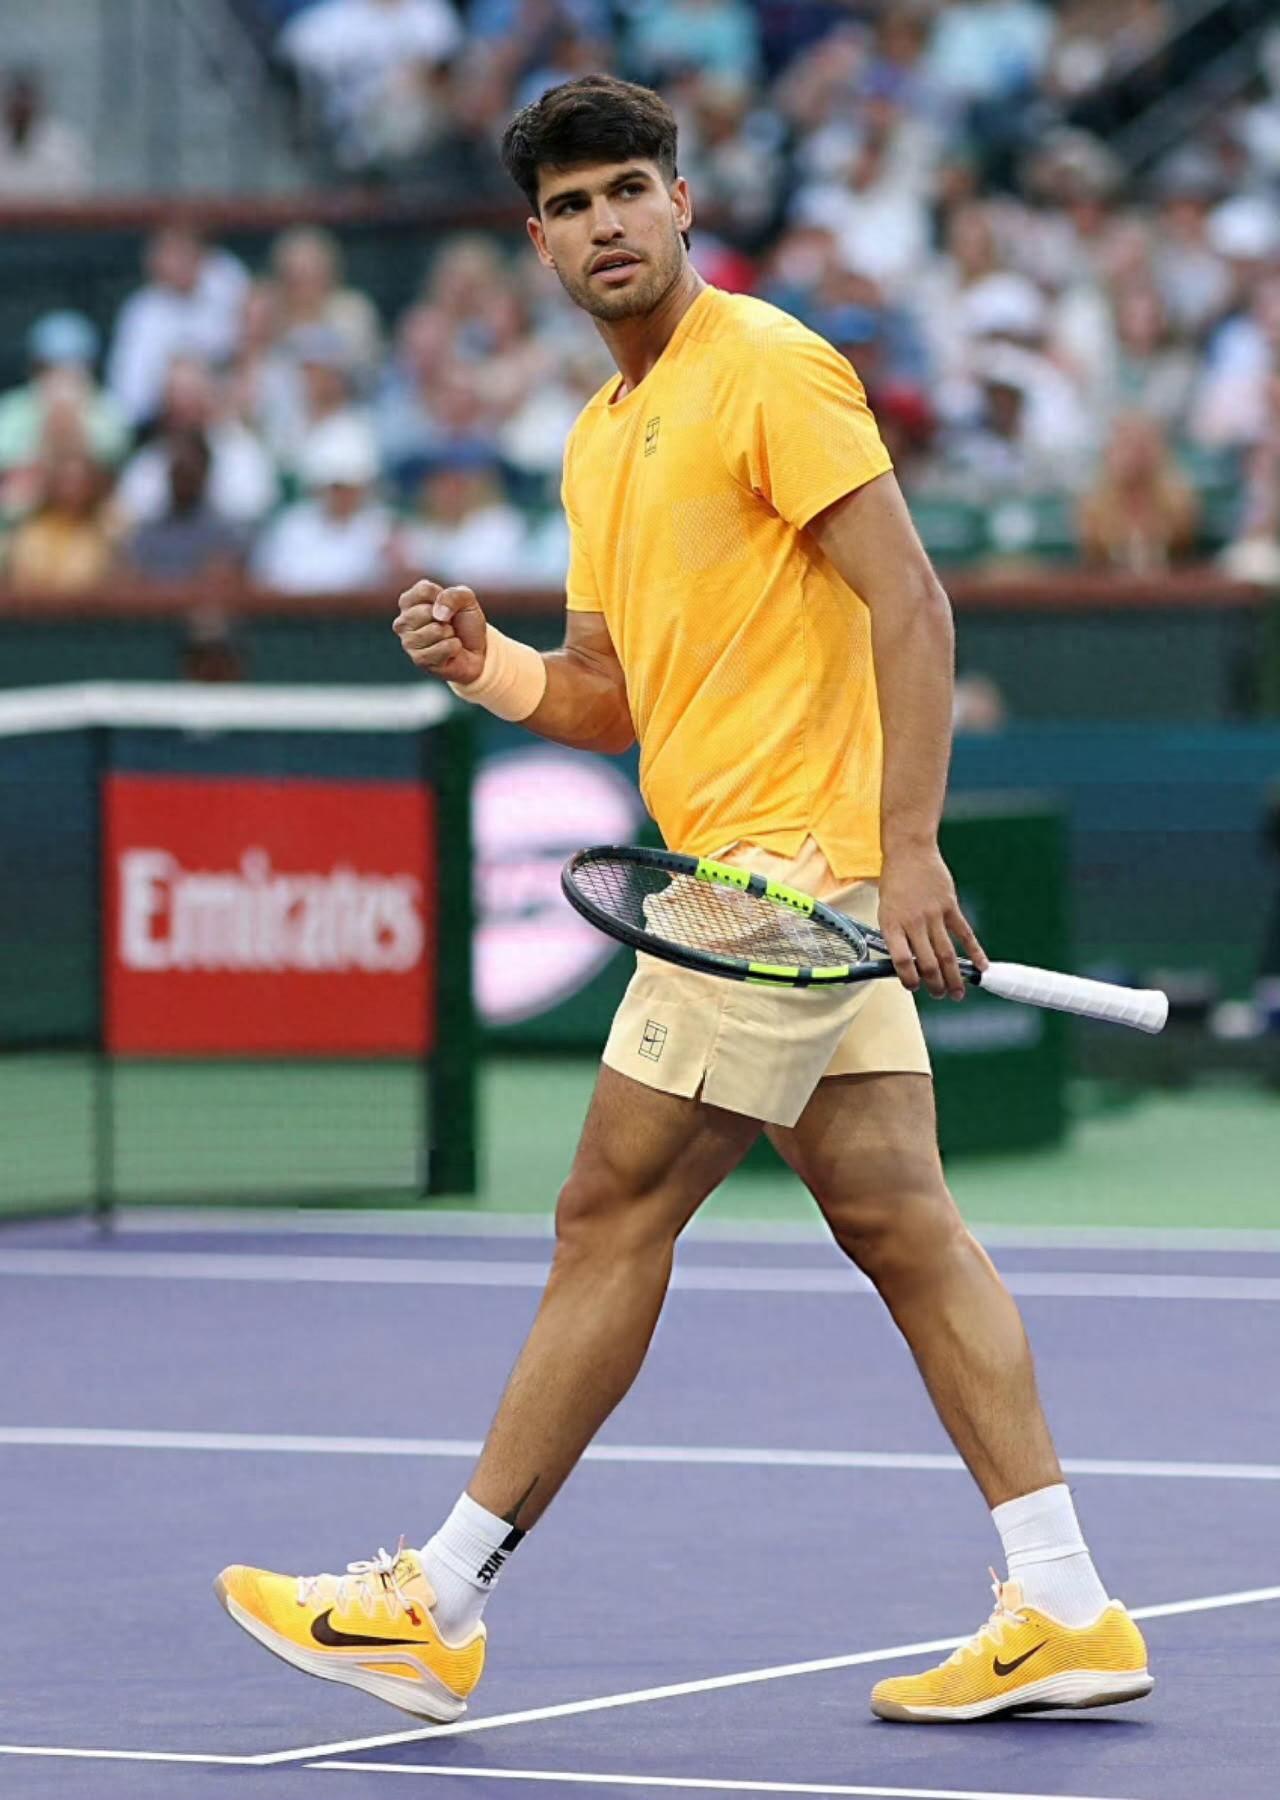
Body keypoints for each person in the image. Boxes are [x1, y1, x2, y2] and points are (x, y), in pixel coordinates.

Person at [216, 72, 1153, 1728]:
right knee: (903, 1225)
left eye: (627, 191)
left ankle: (436, 1602)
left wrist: (910, 845)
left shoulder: (771, 366)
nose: (606, 225)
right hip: (755, 869)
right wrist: (487, 663)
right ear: (539, 243)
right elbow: (609, 697)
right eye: (571, 207)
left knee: (609, 1211)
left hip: (780, 882)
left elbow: (913, 603)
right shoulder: (598, 440)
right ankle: (1067, 1603)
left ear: (681, 203)